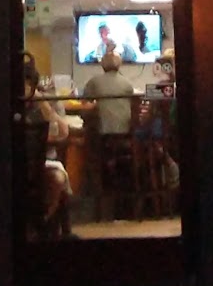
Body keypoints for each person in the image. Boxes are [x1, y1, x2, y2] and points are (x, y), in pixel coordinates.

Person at [21, 54, 72, 232]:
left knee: (56, 179)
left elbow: (63, 132)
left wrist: (41, 102)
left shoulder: (47, 102)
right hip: (17, 163)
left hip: (44, 162)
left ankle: (44, 221)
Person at [79, 48, 136, 135]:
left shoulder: (94, 81)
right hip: (125, 129)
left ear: (102, 64)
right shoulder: (127, 83)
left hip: (100, 131)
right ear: (120, 64)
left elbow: (84, 104)